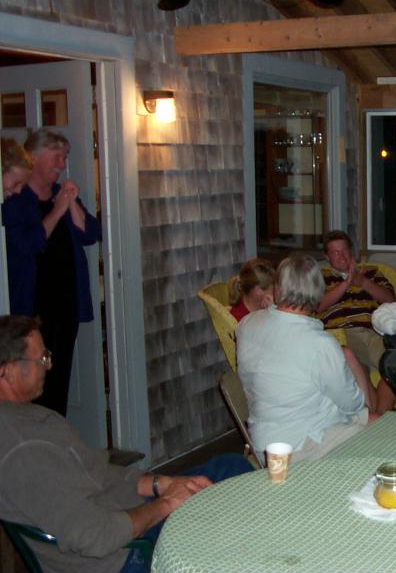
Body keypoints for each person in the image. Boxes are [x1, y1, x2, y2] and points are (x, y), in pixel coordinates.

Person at [0, 315, 252, 573]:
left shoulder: (28, 418)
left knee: (232, 468)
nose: (49, 365)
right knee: (231, 506)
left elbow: (95, 471)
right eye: (41, 359)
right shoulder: (24, 451)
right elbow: (95, 536)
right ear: (7, 372)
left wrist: (159, 484)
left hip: (124, 511)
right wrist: (166, 504)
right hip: (123, 556)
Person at [237, 253, 380, 464]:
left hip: (263, 440)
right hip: (300, 446)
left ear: (278, 289)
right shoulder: (319, 344)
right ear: (318, 294)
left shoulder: (246, 324)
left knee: (378, 420)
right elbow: (353, 405)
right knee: (385, 432)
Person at [2, 128, 101, 416]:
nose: (62, 164)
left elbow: (90, 234)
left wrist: (71, 204)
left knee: (58, 375)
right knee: (30, 378)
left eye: (65, 157)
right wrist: (57, 210)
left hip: (66, 303)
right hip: (32, 305)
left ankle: (56, 429)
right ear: (34, 158)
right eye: (56, 156)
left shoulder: (61, 194)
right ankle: (32, 433)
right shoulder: (15, 200)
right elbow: (29, 243)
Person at [317, 230, 396, 371]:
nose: (341, 256)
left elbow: (390, 299)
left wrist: (363, 281)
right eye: (335, 252)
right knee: (359, 368)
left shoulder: (371, 271)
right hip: (343, 333)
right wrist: (346, 283)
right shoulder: (320, 276)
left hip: (374, 331)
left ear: (351, 252)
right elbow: (318, 305)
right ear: (327, 257)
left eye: (344, 250)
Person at [227, 257, 276, 321]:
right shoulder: (242, 321)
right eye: (273, 289)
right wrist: (272, 313)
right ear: (258, 290)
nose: (274, 292)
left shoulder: (243, 307)